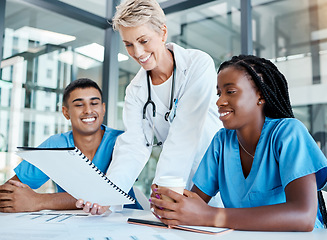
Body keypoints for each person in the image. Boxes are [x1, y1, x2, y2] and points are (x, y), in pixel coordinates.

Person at [150, 55, 327, 231]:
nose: (220, 101)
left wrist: (213, 216)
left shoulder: (288, 132)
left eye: (230, 92)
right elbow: (195, 204)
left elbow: (304, 216)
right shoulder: (222, 142)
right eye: (219, 93)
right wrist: (172, 204)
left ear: (260, 95)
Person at [77, 0, 222, 215]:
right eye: (128, 44)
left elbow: (184, 133)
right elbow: (133, 146)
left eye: (143, 40)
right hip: (175, 184)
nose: (137, 52)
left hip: (215, 180)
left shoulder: (197, 64)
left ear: (163, 33)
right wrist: (107, 195)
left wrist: (163, 190)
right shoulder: (135, 90)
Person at [0, 78, 140, 212]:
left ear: (103, 109)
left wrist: (38, 201)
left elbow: (104, 195)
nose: (88, 110)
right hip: (72, 225)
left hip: (127, 222)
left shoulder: (122, 141)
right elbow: (9, 192)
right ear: (66, 112)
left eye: (94, 103)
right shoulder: (55, 145)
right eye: (79, 104)